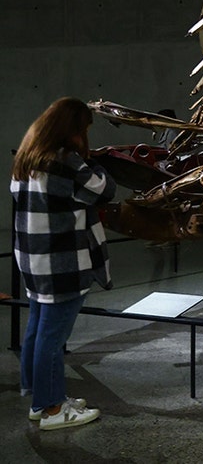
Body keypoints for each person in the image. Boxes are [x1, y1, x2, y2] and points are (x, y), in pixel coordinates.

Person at [11, 97, 114, 430]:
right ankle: (54, 410)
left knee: (37, 330)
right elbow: (103, 190)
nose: (84, 135)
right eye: (83, 129)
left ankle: (41, 400)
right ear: (71, 130)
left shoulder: (26, 159)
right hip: (62, 263)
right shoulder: (65, 161)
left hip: (33, 261)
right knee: (52, 339)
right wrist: (97, 164)